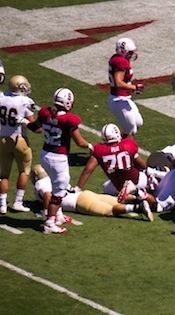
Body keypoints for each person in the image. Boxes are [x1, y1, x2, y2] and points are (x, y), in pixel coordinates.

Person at [28, 87, 94, 234]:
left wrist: (22, 121)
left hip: (45, 154)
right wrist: (90, 146)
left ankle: (58, 215)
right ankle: (50, 223)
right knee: (59, 192)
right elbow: (79, 142)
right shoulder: (68, 120)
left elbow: (34, 127)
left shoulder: (45, 112)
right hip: (58, 158)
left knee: (55, 185)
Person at [73, 123, 153, 222]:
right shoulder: (128, 144)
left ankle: (133, 198)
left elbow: (88, 169)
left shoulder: (100, 150)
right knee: (151, 174)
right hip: (138, 181)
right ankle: (143, 192)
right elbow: (142, 165)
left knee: (106, 187)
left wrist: (78, 188)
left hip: (118, 186)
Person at [31, 164, 154, 220]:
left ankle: (138, 207)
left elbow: (47, 195)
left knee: (109, 210)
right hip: (85, 194)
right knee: (116, 200)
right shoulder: (54, 178)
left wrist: (47, 212)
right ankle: (138, 196)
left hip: (79, 203)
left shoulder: (41, 183)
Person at [0, 75, 39, 213]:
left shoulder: (1, 97)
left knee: (3, 174)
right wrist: (26, 122)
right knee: (24, 171)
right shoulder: (25, 101)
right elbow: (37, 129)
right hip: (19, 140)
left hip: (3, 139)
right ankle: (18, 201)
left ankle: (2, 204)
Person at [108, 38, 144, 138]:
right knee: (131, 129)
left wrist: (131, 89)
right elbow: (118, 83)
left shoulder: (119, 59)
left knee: (138, 122)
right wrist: (134, 87)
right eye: (130, 52)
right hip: (118, 100)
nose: (132, 54)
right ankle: (127, 151)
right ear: (123, 51)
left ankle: (117, 140)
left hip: (124, 98)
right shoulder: (120, 61)